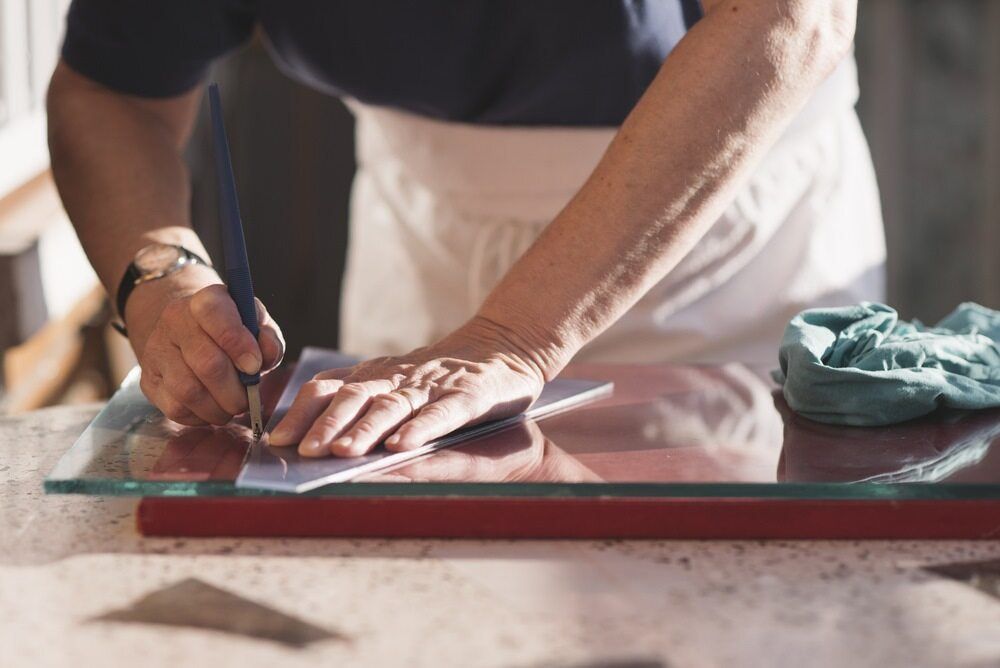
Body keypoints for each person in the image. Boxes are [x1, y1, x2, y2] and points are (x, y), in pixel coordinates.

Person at [47, 0, 885, 459]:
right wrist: (159, 280)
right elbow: (113, 91)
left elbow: (790, 16)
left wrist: (513, 338)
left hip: (722, 226)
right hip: (421, 231)